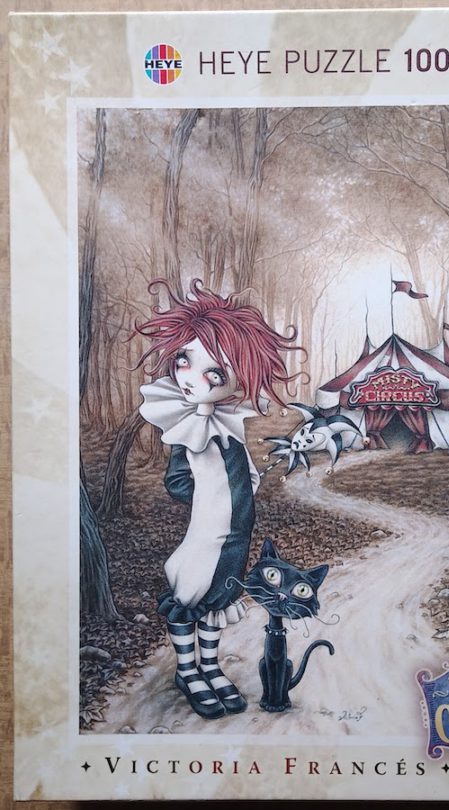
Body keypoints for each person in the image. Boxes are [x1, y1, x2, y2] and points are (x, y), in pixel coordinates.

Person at [135, 278, 302, 718]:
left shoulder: (230, 426)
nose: (192, 378)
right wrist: (209, 496)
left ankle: (208, 665)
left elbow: (243, 474)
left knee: (220, 600)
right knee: (191, 598)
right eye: (184, 360)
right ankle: (187, 669)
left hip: (235, 540)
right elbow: (177, 482)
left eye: (214, 374)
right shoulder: (187, 428)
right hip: (205, 536)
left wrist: (238, 492)